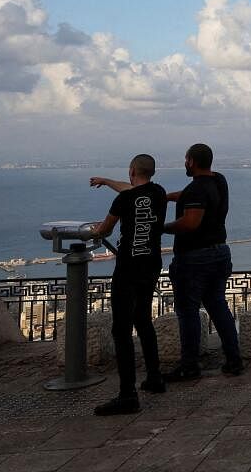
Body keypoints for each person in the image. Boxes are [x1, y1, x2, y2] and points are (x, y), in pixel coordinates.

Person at [88, 154, 168, 415]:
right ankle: (154, 377)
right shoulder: (158, 193)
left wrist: (93, 230)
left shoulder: (124, 199)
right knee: (143, 320)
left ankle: (127, 394)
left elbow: (105, 230)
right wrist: (107, 181)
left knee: (121, 330)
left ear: (132, 170)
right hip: (151, 264)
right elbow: (135, 190)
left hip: (128, 267)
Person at [163, 143, 244, 380]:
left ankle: (189, 365)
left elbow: (190, 223)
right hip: (220, 252)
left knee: (187, 311)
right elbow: (195, 194)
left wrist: (161, 228)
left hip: (195, 257)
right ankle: (233, 359)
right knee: (218, 306)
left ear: (191, 162)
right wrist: (170, 197)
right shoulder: (219, 180)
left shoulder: (197, 190)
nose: (185, 163)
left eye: (186, 159)